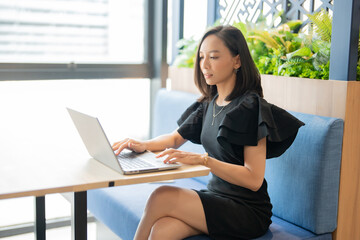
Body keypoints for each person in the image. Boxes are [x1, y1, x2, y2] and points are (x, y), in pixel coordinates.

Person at [112, 25, 304, 240]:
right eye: (201, 57)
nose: (204, 65)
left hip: (247, 210)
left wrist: (204, 160)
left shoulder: (250, 107)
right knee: (162, 230)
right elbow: (175, 138)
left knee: (161, 196)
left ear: (237, 61)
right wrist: (142, 144)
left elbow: (254, 179)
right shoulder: (209, 104)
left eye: (213, 57)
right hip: (216, 196)